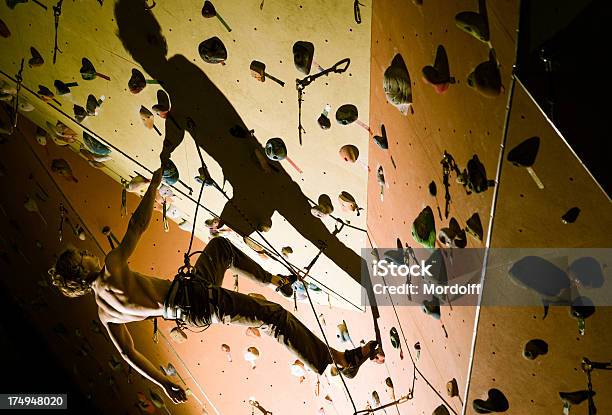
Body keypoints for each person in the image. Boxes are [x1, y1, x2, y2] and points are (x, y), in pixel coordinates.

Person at [49, 163, 379, 404]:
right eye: (81, 254)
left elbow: (129, 354)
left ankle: (274, 279)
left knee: (220, 248)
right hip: (196, 301)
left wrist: (164, 382)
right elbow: (137, 226)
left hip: (190, 300)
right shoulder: (110, 269)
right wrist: (153, 185)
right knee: (273, 317)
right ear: (80, 266)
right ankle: (339, 360)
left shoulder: (105, 314)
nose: (87, 253)